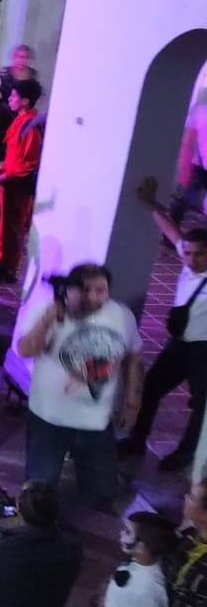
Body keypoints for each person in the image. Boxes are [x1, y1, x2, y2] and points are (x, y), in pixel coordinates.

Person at [14, 263, 140, 510]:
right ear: (69, 290)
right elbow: (25, 350)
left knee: (102, 493)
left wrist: (132, 403)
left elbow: (133, 358)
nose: (92, 296)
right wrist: (47, 320)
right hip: (49, 419)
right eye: (84, 290)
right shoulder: (47, 311)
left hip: (96, 422)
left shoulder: (122, 316)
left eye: (100, 290)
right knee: (38, 490)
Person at [123, 177, 207, 470]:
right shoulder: (188, 259)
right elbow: (171, 230)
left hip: (203, 351)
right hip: (178, 345)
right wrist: (150, 203)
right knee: (152, 387)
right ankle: (137, 439)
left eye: (199, 254)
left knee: (201, 406)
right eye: (188, 253)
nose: (191, 260)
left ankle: (183, 455)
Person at [0, 79, 42, 284]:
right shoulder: (20, 120)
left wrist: (8, 175)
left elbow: (31, 162)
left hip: (18, 184)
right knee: (2, 222)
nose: (10, 99)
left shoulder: (31, 126)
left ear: (25, 101)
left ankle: (9, 268)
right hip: (7, 180)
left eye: (15, 96)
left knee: (14, 226)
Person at [95, 510, 173, 607]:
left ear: (142, 546)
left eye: (128, 532)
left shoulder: (148, 588)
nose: (121, 533)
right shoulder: (133, 562)